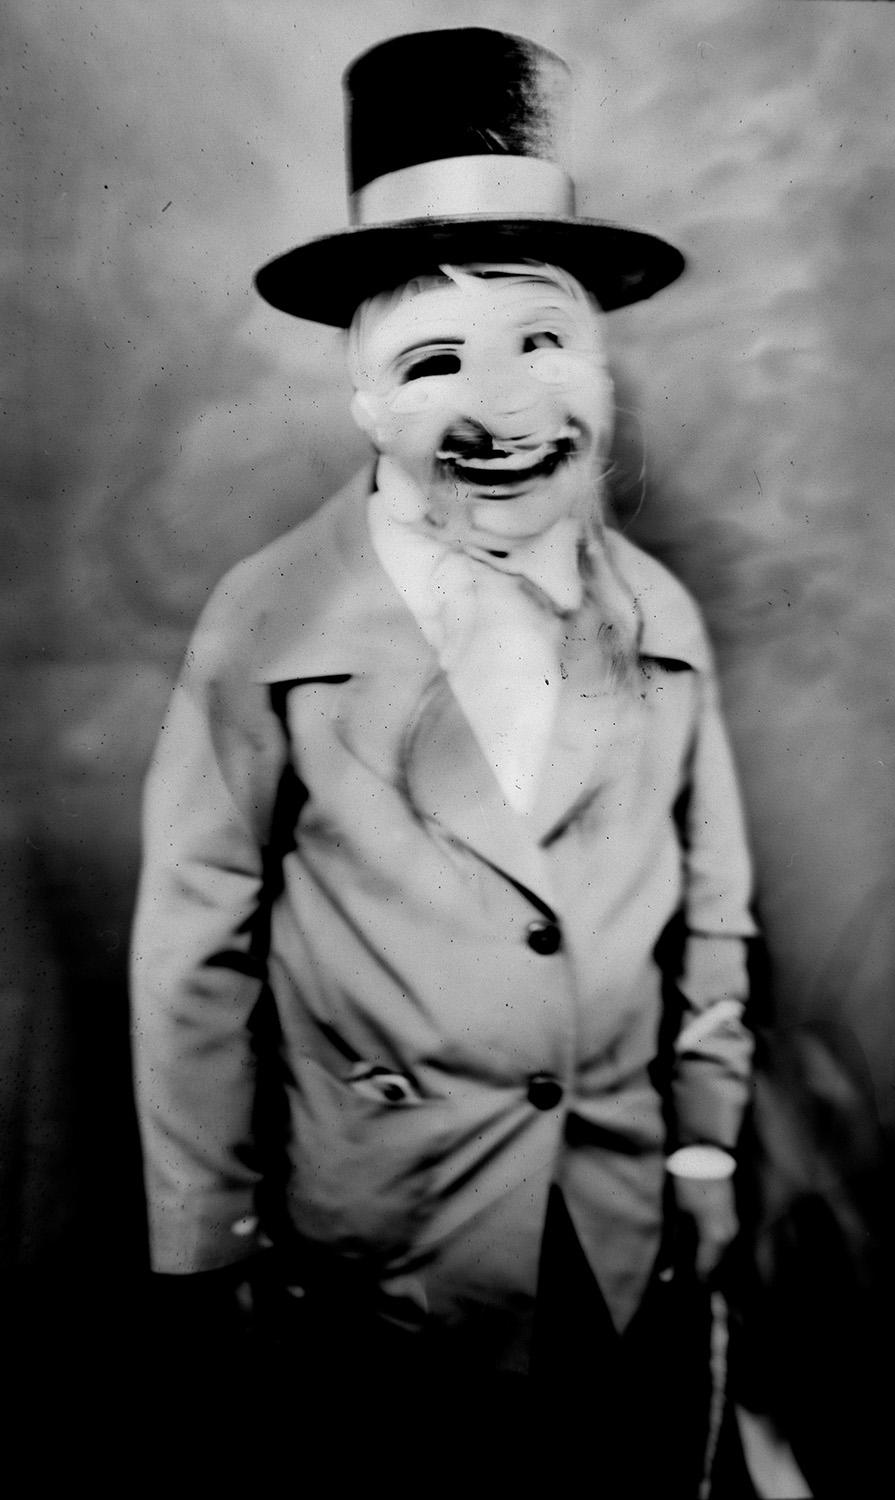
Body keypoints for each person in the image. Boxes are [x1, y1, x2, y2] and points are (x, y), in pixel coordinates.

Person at [131, 28, 756, 1494]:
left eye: (546, 341)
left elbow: (714, 896)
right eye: (433, 362)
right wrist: (202, 1237)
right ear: (363, 405)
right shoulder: (267, 621)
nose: (503, 405)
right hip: (380, 1235)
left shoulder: (656, 612)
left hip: (607, 1205)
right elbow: (192, 948)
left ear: (602, 367)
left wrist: (707, 1149)